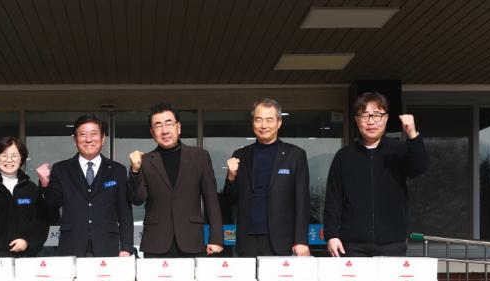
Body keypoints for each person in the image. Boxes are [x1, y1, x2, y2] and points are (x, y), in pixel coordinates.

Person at [323, 91, 429, 257]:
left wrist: (412, 134)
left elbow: (420, 167)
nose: (371, 121)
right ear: (357, 120)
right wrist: (331, 235)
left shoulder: (398, 150)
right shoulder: (344, 156)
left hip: (392, 243)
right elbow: (333, 198)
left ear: (386, 118)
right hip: (351, 245)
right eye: (365, 115)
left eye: (377, 115)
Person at [128, 103, 223, 257]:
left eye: (169, 124)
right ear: (152, 132)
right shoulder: (145, 161)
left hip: (191, 240)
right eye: (158, 125)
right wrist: (134, 170)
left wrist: (216, 238)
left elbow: (211, 199)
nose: (164, 130)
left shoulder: (200, 157)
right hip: (156, 242)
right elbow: (137, 199)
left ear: (178, 127)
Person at [222, 99, 310, 257]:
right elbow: (229, 200)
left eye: (269, 120)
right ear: (253, 122)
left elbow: (302, 201)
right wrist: (231, 177)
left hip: (281, 240)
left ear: (279, 123)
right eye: (258, 119)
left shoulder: (295, 155)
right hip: (247, 239)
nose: (264, 125)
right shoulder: (241, 155)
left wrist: (301, 240)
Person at [36, 114, 134, 257]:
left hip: (107, 246)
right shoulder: (61, 169)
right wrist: (45, 186)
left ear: (103, 138)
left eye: (93, 134)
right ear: (75, 139)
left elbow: (125, 212)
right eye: (83, 134)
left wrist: (126, 247)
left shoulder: (117, 170)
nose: (88, 139)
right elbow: (51, 213)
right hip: (71, 246)